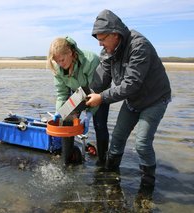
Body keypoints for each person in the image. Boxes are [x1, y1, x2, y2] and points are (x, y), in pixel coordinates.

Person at [86, 9, 171, 198]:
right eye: (98, 40)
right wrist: (88, 95)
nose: (100, 44)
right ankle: (109, 177)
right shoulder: (109, 50)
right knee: (116, 139)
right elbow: (101, 80)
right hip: (133, 100)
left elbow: (130, 85)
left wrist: (101, 98)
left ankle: (146, 188)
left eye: (102, 39)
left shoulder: (139, 46)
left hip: (155, 99)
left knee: (141, 143)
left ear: (115, 35)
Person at [47, 36, 110, 165]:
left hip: (99, 92)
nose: (60, 64)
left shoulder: (90, 60)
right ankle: (68, 159)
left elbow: (95, 90)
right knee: (66, 120)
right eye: (57, 61)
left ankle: (103, 162)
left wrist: (89, 112)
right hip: (78, 92)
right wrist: (59, 111)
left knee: (100, 125)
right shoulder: (58, 68)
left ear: (70, 52)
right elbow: (62, 93)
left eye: (62, 60)